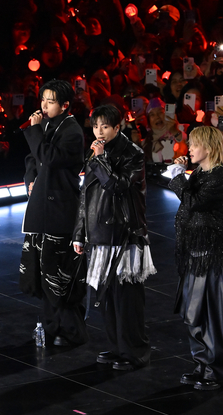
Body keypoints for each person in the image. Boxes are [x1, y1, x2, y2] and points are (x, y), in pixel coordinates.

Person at [73, 104, 156, 371]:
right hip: (99, 233)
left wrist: (100, 161)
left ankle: (135, 352)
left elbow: (117, 185)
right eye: (96, 126)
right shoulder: (97, 152)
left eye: (105, 126)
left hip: (125, 234)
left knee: (127, 298)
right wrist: (79, 232)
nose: (99, 131)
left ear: (117, 127)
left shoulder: (133, 154)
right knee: (107, 297)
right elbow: (86, 195)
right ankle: (118, 346)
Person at [167, 126, 223, 391]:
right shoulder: (200, 172)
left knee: (212, 316)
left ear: (208, 148)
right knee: (194, 313)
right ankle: (202, 365)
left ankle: (216, 371)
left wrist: (178, 178)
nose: (189, 149)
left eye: (194, 145)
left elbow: (193, 202)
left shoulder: (222, 177)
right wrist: (183, 176)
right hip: (194, 253)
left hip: (212, 255)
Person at [19, 79, 88, 347]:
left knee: (59, 273)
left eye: (51, 101)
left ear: (65, 105)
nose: (44, 106)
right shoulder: (46, 125)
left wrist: (36, 131)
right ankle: (51, 327)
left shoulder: (72, 131)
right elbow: (33, 159)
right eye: (43, 100)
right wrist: (30, 180)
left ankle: (71, 330)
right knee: (41, 270)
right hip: (41, 206)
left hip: (60, 206)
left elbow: (50, 157)